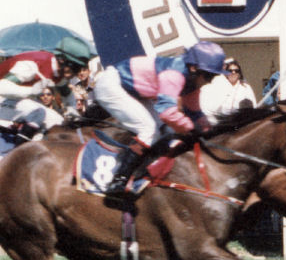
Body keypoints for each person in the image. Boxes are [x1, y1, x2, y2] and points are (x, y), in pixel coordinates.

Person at [90, 40, 227, 192]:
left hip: (135, 92)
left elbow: (194, 112)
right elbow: (167, 113)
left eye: (213, 76)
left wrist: (208, 130)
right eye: (208, 76)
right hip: (112, 85)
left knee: (165, 131)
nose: (210, 81)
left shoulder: (191, 79)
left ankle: (145, 172)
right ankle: (118, 180)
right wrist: (191, 127)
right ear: (194, 68)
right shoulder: (174, 75)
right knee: (148, 130)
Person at [0, 36, 90, 133]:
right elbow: (1, 88)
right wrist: (31, 91)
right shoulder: (32, 65)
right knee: (38, 113)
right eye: (75, 67)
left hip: (8, 98)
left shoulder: (59, 71)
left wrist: (71, 109)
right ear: (62, 60)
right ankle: (21, 151)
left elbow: (67, 94)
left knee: (57, 120)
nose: (77, 73)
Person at [200, 56, 257, 121]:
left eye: (236, 71)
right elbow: (210, 109)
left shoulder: (246, 87)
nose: (233, 73)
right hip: (222, 121)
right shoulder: (217, 86)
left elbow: (254, 107)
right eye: (230, 71)